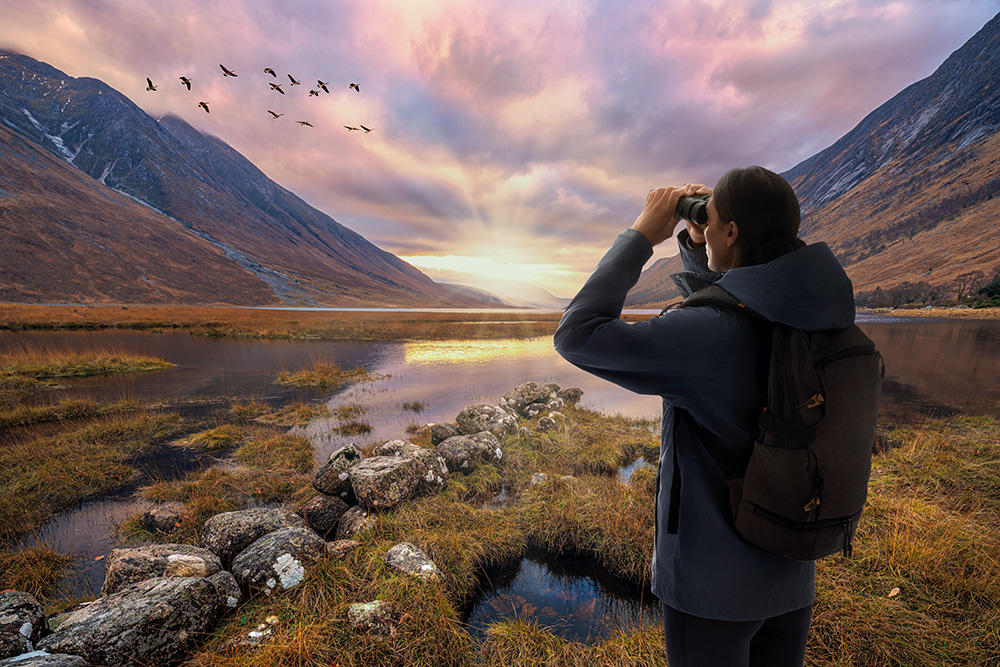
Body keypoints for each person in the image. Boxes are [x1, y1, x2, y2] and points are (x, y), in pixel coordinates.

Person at [553, 166, 856, 667]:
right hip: (791, 567)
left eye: (710, 220)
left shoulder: (707, 335)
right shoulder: (812, 317)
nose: (704, 226)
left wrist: (641, 236)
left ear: (732, 231)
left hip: (713, 585)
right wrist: (699, 245)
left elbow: (578, 333)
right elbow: (732, 302)